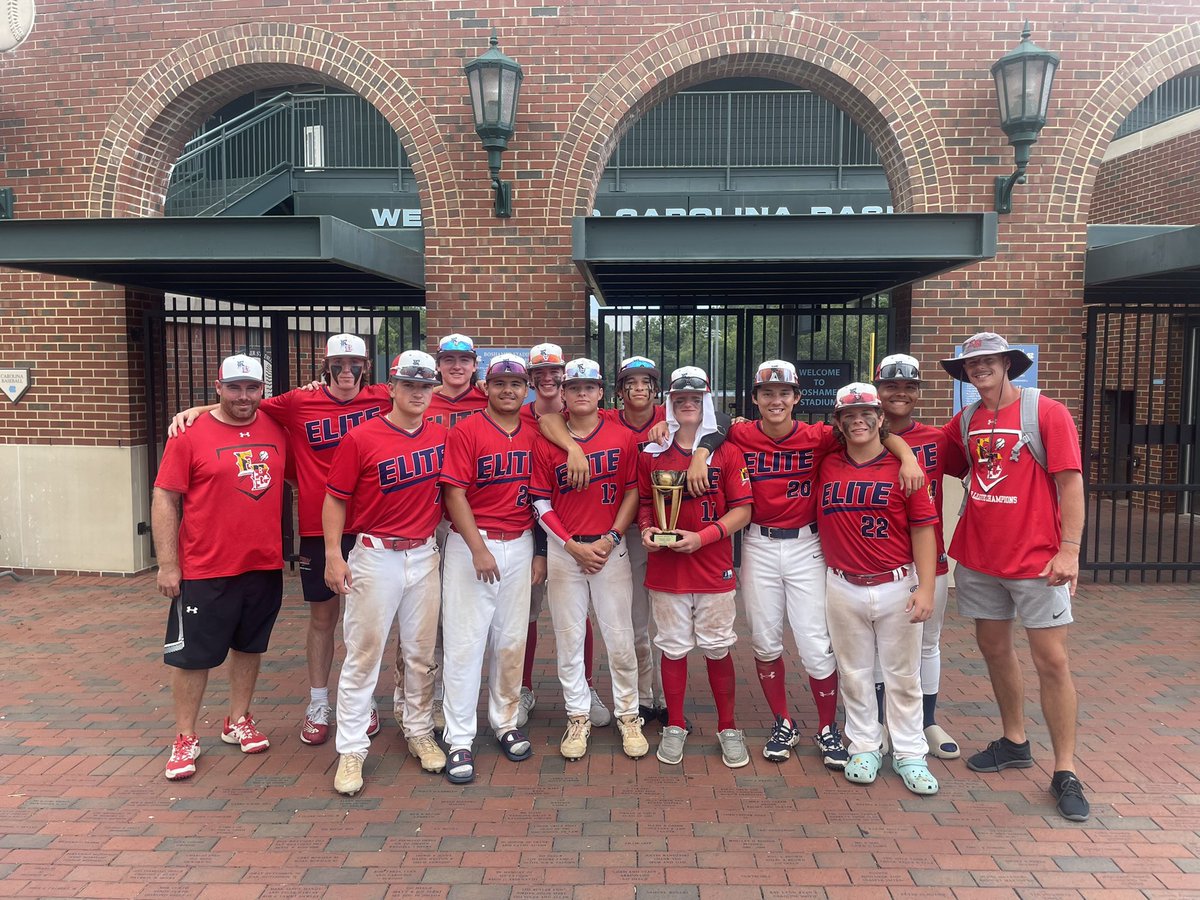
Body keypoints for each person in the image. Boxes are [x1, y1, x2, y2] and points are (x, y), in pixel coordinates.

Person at [169, 334, 390, 747]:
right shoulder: (296, 402)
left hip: (371, 526)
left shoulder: (384, 397)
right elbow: (237, 405)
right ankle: (319, 702)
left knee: (369, 622)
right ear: (325, 365)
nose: (347, 371)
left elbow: (438, 402)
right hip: (316, 529)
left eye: (354, 363)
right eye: (338, 363)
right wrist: (196, 410)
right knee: (324, 619)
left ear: (367, 365)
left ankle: (364, 701)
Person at [939, 332, 1089, 821]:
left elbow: (1070, 483)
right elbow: (930, 452)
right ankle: (1014, 740)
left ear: (1007, 363)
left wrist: (1069, 550)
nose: (979, 369)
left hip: (1038, 560)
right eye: (971, 363)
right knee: (995, 650)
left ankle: (1065, 769)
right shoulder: (967, 421)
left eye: (988, 361)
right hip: (981, 558)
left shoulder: (1046, 412)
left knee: (1052, 661)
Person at [540, 355, 720, 725]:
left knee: (657, 618)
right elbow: (549, 419)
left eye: (646, 383)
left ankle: (649, 695)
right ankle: (641, 700)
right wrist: (573, 448)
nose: (638, 388)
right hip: (622, 530)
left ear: (656, 390)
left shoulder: (669, 416)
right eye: (630, 383)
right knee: (634, 621)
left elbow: (723, 424)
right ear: (619, 391)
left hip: (660, 524)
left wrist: (702, 451)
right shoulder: (604, 418)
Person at [153, 354, 289, 780]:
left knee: (250, 646)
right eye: (234, 387)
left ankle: (238, 719)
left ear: (262, 390)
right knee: (194, 657)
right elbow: (165, 498)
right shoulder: (189, 432)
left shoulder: (277, 426)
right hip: (205, 567)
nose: (243, 396)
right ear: (218, 387)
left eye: (251, 388)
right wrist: (167, 565)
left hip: (262, 563)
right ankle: (185, 736)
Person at [322, 350, 448, 795]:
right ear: (390, 388)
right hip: (375, 554)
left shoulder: (440, 436)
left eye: (425, 386)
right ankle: (352, 748)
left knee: (420, 654)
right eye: (409, 384)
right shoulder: (362, 437)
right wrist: (334, 555)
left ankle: (418, 731)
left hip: (424, 554)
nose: (418, 392)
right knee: (363, 655)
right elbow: (335, 497)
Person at [817, 383, 939, 795]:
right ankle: (865, 745)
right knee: (854, 673)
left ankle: (909, 752)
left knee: (903, 676)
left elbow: (924, 529)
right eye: (849, 415)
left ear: (881, 417)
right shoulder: (828, 462)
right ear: (837, 422)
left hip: (895, 582)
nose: (859, 421)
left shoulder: (905, 468)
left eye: (867, 413)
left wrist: (925, 589)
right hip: (842, 584)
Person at [529, 357, 647, 760]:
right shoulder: (548, 440)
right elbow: (540, 501)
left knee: (620, 638)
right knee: (568, 638)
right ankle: (577, 715)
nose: (582, 392)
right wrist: (570, 545)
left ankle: (629, 715)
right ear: (562, 393)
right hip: (567, 553)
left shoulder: (621, 436)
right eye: (574, 387)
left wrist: (612, 536)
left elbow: (632, 491)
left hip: (609, 550)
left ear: (601, 393)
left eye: (589, 386)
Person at [637, 366, 753, 768]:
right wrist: (649, 529)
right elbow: (646, 503)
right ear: (669, 401)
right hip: (668, 568)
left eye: (696, 398)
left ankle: (727, 725)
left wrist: (702, 538)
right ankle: (675, 723)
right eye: (680, 398)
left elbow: (743, 510)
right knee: (672, 648)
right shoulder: (653, 451)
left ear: (707, 401)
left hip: (713, 565)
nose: (688, 404)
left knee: (718, 648)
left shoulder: (728, 449)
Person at [438, 353, 540, 784]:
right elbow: (454, 494)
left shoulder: (537, 431)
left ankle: (505, 720)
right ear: (485, 387)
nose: (508, 390)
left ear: (526, 389)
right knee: (465, 645)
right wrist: (478, 547)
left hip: (520, 543)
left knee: (511, 641)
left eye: (516, 384)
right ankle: (459, 737)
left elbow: (543, 496)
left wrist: (540, 553)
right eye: (499, 383)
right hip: (471, 545)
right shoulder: (466, 431)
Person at [871, 354, 959, 759]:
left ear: (919, 392)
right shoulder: (856, 430)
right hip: (877, 559)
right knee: (874, 647)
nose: (899, 393)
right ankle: (876, 722)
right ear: (877, 389)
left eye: (908, 387)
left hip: (929, 559)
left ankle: (926, 721)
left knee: (927, 643)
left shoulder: (939, 439)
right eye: (890, 386)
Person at [518, 343, 607, 730]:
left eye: (555, 371)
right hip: (526, 531)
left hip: (574, 530)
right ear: (531, 379)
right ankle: (522, 688)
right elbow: (545, 422)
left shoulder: (593, 414)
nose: (548, 378)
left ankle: (586, 689)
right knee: (526, 615)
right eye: (540, 373)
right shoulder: (519, 414)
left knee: (578, 615)